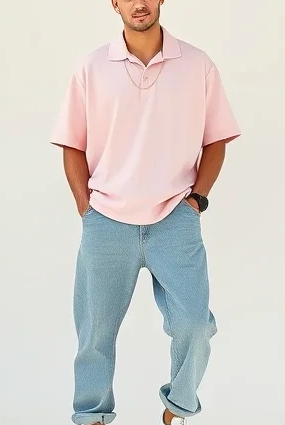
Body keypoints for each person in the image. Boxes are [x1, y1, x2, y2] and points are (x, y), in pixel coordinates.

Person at [49, 1, 240, 424]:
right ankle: (92, 417)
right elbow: (72, 145)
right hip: (106, 221)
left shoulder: (198, 65)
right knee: (94, 333)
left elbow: (217, 140)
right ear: (114, 2)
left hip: (175, 218)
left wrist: (197, 201)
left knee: (194, 324)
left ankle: (178, 408)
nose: (139, 3)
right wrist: (87, 208)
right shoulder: (91, 68)